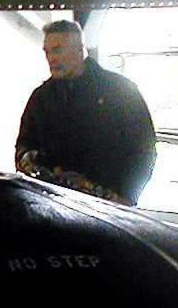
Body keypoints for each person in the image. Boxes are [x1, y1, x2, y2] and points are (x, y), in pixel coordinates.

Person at [15, 19, 156, 204]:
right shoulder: (41, 98)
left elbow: (144, 149)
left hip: (109, 203)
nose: (51, 59)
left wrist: (127, 196)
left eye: (57, 50)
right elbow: (24, 145)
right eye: (47, 52)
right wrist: (27, 159)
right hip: (53, 203)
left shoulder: (121, 90)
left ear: (80, 50)